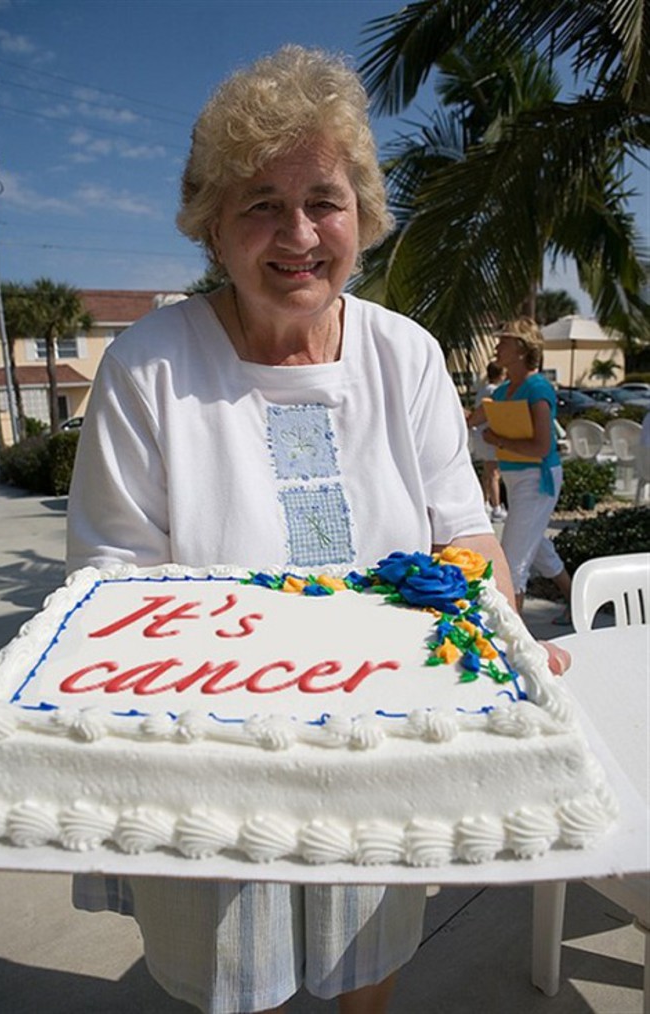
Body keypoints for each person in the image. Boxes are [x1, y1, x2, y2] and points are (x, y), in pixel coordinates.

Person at [66, 48, 567, 1014]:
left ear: (362, 218)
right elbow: (112, 579)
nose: (296, 233)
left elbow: (464, 525)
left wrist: (497, 634)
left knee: (365, 950)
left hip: (378, 730)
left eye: (323, 200)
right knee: (229, 978)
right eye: (258, 202)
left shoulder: (405, 353)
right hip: (208, 747)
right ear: (211, 227)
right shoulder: (147, 365)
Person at [468, 318, 572, 618]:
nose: (497, 346)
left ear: (522, 348)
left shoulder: (538, 388)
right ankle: (577, 600)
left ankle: (515, 642)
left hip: (536, 481)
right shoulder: (502, 393)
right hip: (516, 480)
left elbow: (541, 447)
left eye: (505, 341)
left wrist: (496, 438)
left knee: (511, 562)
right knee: (538, 549)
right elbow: (469, 419)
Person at [469, 360, 507, 520]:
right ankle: (497, 506)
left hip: (481, 434)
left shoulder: (483, 389)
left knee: (487, 472)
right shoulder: (495, 391)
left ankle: (485, 503)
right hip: (489, 435)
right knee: (494, 473)